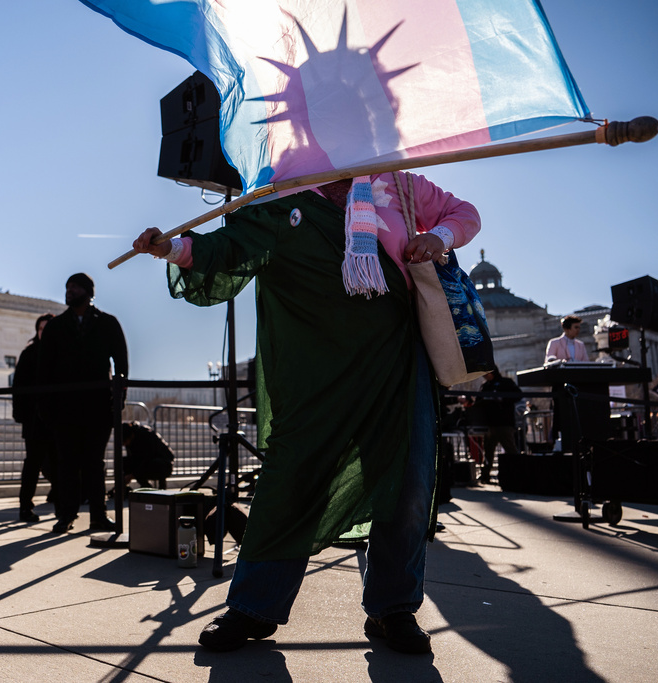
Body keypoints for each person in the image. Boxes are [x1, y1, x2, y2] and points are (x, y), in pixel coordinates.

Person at [132, 172, 480, 654]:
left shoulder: (397, 183)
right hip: (313, 369)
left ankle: (392, 609)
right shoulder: (282, 191)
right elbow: (230, 247)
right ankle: (253, 607)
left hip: (394, 360)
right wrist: (172, 249)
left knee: (406, 484)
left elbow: (464, 214)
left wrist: (435, 237)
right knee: (289, 480)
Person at [37, 273, 129, 534]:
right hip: (64, 409)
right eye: (67, 287)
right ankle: (65, 515)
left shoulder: (107, 323)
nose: (70, 291)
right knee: (67, 464)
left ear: (88, 292)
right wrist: (45, 406)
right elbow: (44, 369)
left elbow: (121, 363)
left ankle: (98, 516)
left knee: (94, 463)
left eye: (75, 287)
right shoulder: (55, 327)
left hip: (98, 406)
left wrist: (119, 398)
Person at [12, 313, 57, 523]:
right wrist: (20, 414)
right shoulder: (29, 353)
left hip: (57, 419)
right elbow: (18, 386)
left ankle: (64, 508)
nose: (43, 333)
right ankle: (25, 507)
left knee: (60, 463)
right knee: (32, 464)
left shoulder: (61, 352)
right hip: (35, 420)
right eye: (40, 329)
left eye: (47, 329)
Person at [477, 368, 524, 484]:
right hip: (490, 423)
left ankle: (518, 473)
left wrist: (502, 399)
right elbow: (479, 401)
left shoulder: (506, 383)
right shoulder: (485, 386)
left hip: (504, 423)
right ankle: (485, 475)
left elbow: (518, 395)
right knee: (488, 451)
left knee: (510, 449)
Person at [120, 421, 175, 490]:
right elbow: (134, 459)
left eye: (124, 442)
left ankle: (161, 488)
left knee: (155, 463)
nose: (124, 444)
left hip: (163, 464)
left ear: (130, 436)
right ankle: (146, 486)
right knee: (124, 462)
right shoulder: (131, 441)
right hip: (149, 461)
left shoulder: (146, 435)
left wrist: (132, 475)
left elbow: (147, 458)